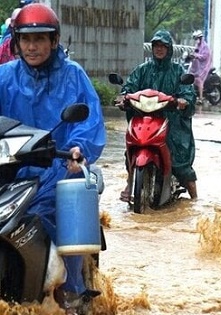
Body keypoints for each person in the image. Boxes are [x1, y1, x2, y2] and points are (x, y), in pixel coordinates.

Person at [0, 3, 106, 314]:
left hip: (57, 166)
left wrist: (77, 149)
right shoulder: (4, 75)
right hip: (10, 167)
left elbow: (89, 121)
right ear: (16, 42)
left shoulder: (73, 76)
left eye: (40, 39)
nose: (32, 47)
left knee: (68, 198)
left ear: (54, 41)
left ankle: (72, 290)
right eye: (25, 40)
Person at [116, 29, 198, 200]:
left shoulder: (178, 71)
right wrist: (123, 98)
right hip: (145, 119)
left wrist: (183, 101)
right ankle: (131, 180)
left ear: (169, 49)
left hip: (171, 122)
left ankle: (195, 200)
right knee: (131, 149)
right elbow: (129, 88)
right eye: (156, 46)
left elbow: (188, 94)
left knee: (181, 163)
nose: (159, 49)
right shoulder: (142, 70)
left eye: (163, 46)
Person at [188, 30, 212, 105]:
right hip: (197, 66)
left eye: (198, 38)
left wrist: (197, 56)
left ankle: (201, 98)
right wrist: (192, 55)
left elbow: (205, 56)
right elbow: (196, 52)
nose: (197, 40)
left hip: (204, 66)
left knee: (199, 80)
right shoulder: (197, 45)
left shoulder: (205, 46)